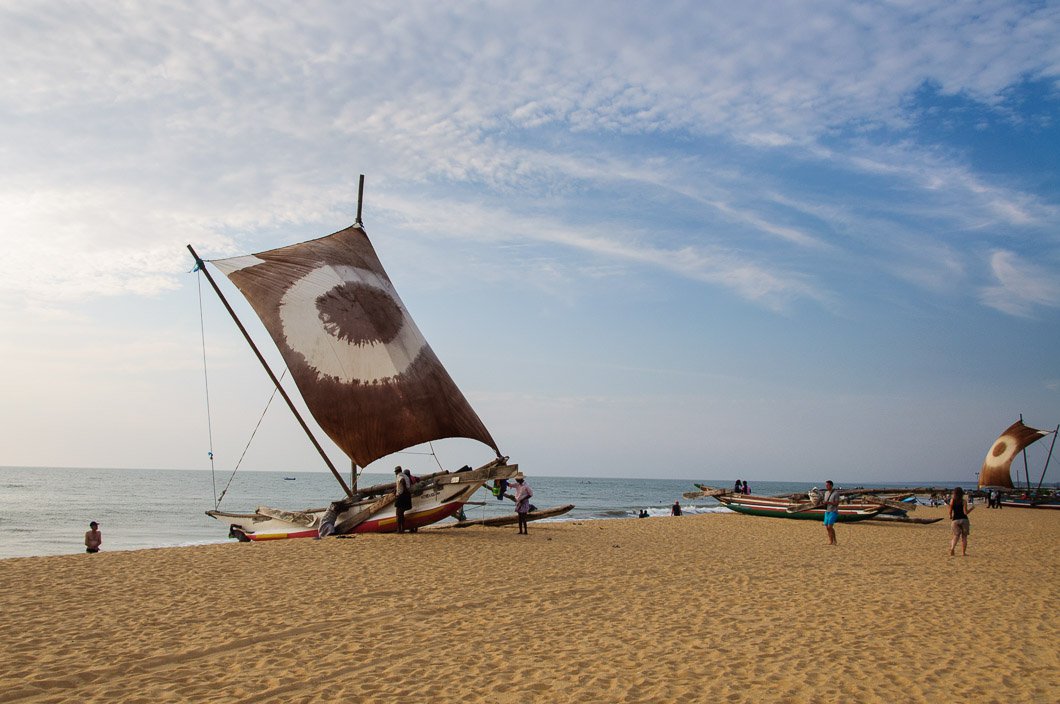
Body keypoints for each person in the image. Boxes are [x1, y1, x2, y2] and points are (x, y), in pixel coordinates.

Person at [948, 486, 973, 556]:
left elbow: (950, 510)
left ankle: (952, 548)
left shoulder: (952, 500)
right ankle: (963, 553)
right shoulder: (963, 501)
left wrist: (950, 515)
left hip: (955, 520)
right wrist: (971, 509)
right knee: (964, 537)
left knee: (956, 536)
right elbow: (965, 512)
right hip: (964, 519)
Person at [821, 480, 840, 545]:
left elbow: (837, 503)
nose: (826, 486)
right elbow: (824, 501)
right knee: (827, 527)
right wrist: (823, 503)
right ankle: (831, 541)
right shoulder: (826, 493)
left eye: (828, 485)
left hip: (833, 511)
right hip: (827, 511)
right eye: (826, 485)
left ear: (831, 485)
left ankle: (834, 540)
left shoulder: (836, 493)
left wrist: (829, 502)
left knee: (830, 527)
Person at [394, 466, 412, 533]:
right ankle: (403, 528)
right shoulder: (406, 476)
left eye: (395, 472)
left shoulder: (399, 475)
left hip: (401, 495)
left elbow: (402, 480)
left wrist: (404, 490)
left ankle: (399, 529)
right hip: (407, 495)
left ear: (397, 471)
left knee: (398, 513)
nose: (395, 473)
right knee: (401, 513)